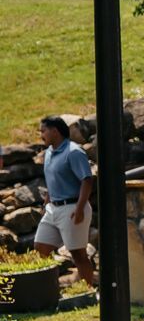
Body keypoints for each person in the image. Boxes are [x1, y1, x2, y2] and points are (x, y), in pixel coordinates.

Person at [34, 116, 94, 288]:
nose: (41, 135)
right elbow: (53, 181)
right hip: (53, 209)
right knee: (40, 248)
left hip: (73, 208)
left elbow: (87, 180)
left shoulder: (74, 152)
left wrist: (80, 208)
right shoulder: (48, 153)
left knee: (78, 255)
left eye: (43, 131)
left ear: (55, 131)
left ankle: (88, 292)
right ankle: (48, 289)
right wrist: (46, 204)